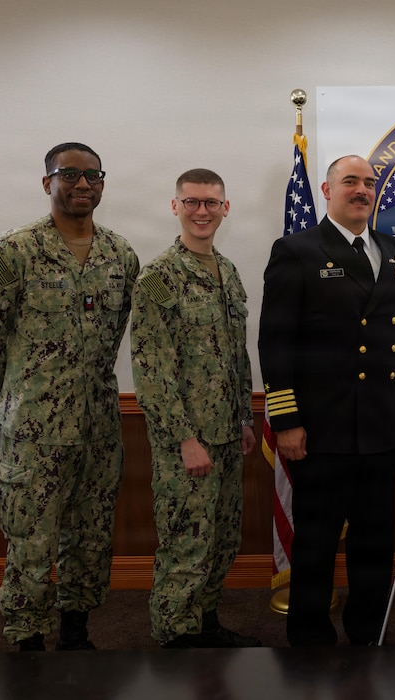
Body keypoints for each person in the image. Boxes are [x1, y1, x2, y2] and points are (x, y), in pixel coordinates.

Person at [0, 142, 139, 651]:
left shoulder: (120, 255)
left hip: (99, 426)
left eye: (92, 176)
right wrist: (8, 400)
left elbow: (116, 334)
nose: (82, 184)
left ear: (102, 184)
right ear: (48, 183)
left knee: (90, 536)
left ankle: (76, 633)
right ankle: (27, 643)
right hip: (34, 429)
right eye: (69, 175)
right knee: (31, 541)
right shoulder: (11, 253)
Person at [258, 155, 395, 646]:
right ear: (326, 190)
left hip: (380, 423)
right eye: (351, 182)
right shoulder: (297, 250)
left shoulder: (394, 249)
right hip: (319, 428)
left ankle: (368, 631)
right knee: (317, 543)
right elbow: (275, 341)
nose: (362, 190)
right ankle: (308, 637)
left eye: (369, 183)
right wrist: (285, 419)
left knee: (374, 540)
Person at [130, 168, 260, 648]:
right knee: (186, 543)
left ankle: (204, 625)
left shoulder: (227, 272)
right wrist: (185, 439)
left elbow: (236, 353)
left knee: (222, 540)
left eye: (211, 202)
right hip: (187, 440)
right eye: (192, 202)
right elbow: (152, 367)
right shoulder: (159, 278)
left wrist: (245, 418)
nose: (201, 211)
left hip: (227, 433)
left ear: (226, 208)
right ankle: (174, 639)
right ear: (175, 206)